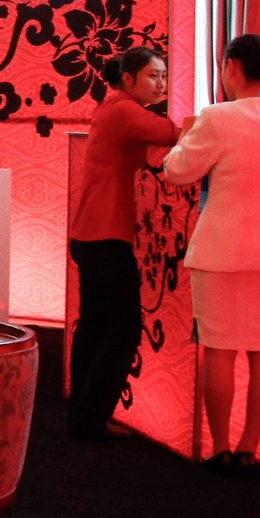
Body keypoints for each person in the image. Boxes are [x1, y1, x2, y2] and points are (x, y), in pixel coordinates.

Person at [161, 35, 260, 473]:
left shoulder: (217, 117)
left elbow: (178, 171)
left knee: (219, 350)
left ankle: (221, 448)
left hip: (222, 251)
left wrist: (185, 137)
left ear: (231, 67)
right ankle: (249, 448)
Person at [67, 47, 179, 441]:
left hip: (91, 233)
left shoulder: (114, 108)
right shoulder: (123, 110)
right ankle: (89, 418)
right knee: (123, 330)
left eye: (163, 75)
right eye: (152, 75)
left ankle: (83, 417)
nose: (161, 83)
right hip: (105, 236)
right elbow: (170, 133)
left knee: (94, 327)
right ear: (128, 78)